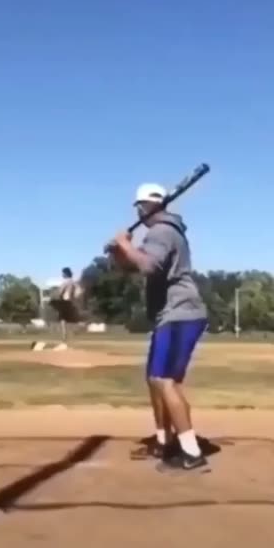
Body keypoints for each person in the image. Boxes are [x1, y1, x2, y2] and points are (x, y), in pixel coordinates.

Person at [109, 183, 208, 472]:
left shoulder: (162, 232)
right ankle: (164, 441)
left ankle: (191, 452)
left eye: (139, 208)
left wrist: (126, 245)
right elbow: (133, 265)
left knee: (165, 381)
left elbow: (148, 266)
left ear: (143, 208)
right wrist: (119, 252)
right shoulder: (160, 233)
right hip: (170, 315)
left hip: (181, 313)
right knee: (155, 380)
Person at [50, 267, 81, 345]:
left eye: (63, 273)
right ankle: (72, 332)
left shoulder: (65, 282)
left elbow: (60, 292)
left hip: (65, 302)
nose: (62, 274)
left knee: (62, 319)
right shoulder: (74, 282)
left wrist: (57, 296)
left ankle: (64, 336)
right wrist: (75, 297)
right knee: (69, 318)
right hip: (71, 302)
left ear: (66, 274)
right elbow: (79, 291)